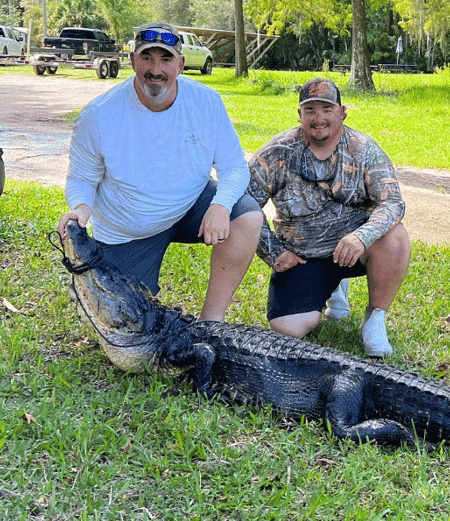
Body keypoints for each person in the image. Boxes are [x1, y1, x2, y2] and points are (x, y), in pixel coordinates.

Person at [56, 21, 263, 321]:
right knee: (127, 321)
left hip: (191, 205)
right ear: (132, 61)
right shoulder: (99, 115)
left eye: (165, 59)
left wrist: (220, 205)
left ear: (180, 64)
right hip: (128, 230)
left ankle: (211, 322)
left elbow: (233, 167)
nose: (156, 69)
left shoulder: (206, 102)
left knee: (248, 216)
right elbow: (82, 178)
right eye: (147, 58)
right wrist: (81, 209)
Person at [248, 77, 411, 357]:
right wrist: (274, 252)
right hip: (304, 256)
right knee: (289, 327)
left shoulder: (364, 149)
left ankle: (375, 319)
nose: (318, 118)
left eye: (326, 108)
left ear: (342, 112)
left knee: (394, 237)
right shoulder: (277, 151)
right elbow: (246, 205)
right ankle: (334, 289)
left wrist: (362, 236)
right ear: (299, 114)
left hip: (354, 249)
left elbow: (392, 203)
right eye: (310, 110)